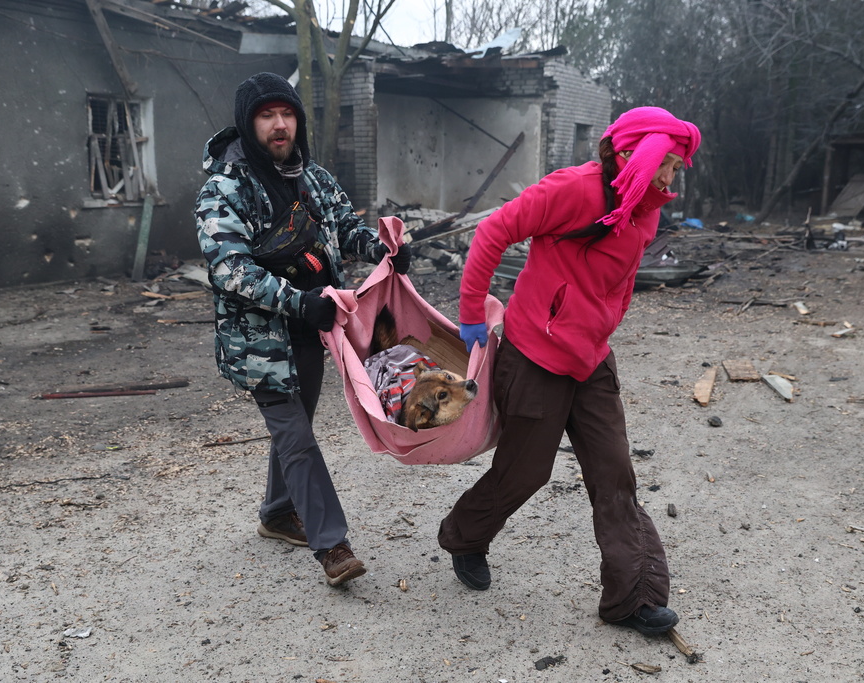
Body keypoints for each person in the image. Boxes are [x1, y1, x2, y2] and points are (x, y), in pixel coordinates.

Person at [438, 107, 700, 635]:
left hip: (592, 359)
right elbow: (493, 233)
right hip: (535, 353)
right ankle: (465, 536)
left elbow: (620, 278)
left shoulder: (646, 208)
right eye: (664, 164)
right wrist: (470, 313)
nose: (670, 179)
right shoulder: (573, 190)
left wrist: (605, 326)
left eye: (677, 167)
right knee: (526, 471)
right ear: (628, 154)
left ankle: (634, 598)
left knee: (614, 474)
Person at [195, 72, 411, 586]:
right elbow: (230, 269)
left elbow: (344, 229)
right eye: (266, 115)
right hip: (257, 341)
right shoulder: (222, 190)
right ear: (248, 123)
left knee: (297, 430)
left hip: (314, 331)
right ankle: (332, 544)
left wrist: (381, 249)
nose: (279, 125)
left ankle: (275, 512)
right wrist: (299, 301)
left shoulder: (313, 177)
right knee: (295, 435)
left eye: (286, 114)